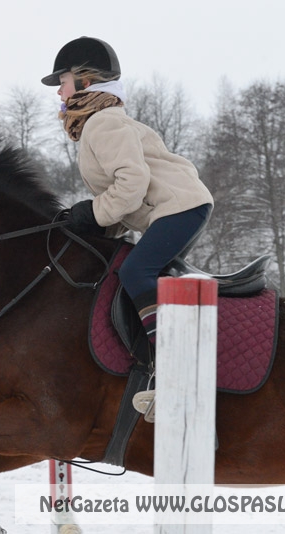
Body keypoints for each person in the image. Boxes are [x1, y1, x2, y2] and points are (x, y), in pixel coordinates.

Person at [42, 37, 214, 414]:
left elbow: (131, 184)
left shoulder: (102, 123)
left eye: (63, 81)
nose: (59, 90)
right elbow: (127, 202)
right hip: (178, 208)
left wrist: (93, 213)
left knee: (136, 271)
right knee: (130, 269)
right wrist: (92, 227)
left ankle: (176, 371)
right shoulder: (105, 122)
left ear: (86, 82)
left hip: (180, 208)